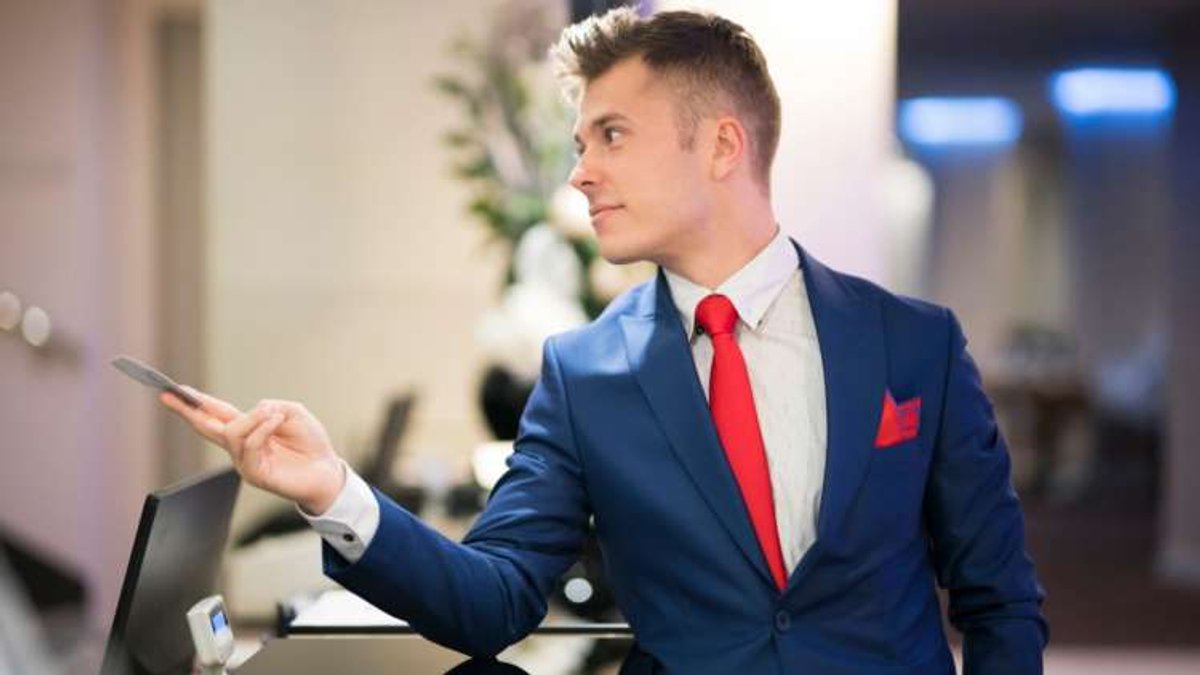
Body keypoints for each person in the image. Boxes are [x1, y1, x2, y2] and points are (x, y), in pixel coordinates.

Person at [162, 8, 1047, 674]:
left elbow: (1000, 599)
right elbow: (494, 599)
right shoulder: (582, 373)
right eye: (581, 142)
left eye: (612, 135)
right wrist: (335, 492)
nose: (581, 172)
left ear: (723, 145)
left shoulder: (914, 345)